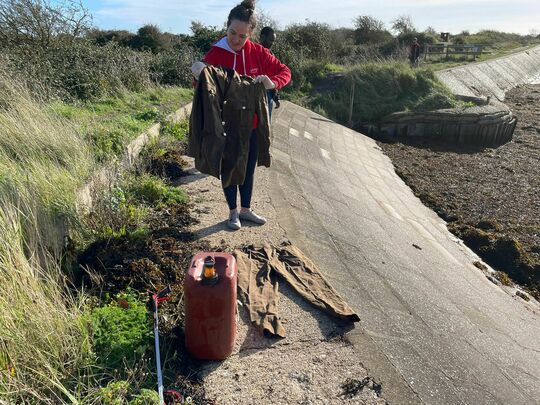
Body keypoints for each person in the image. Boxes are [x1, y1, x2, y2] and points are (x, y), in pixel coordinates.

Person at [191, 0, 291, 231]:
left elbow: (285, 71)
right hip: (226, 124)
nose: (236, 40)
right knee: (230, 167)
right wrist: (197, 73)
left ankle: (246, 209)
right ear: (226, 27)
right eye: (232, 33)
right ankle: (232, 212)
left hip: (254, 123)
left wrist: (272, 82)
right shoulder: (216, 52)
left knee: (248, 167)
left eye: (242, 36)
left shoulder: (258, 53)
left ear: (250, 35)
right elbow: (202, 85)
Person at [259, 26, 280, 117]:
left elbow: (273, 77)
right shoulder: (252, 54)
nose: (272, 43)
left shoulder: (271, 55)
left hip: (268, 95)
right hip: (255, 94)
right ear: (263, 37)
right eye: (270, 40)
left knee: (266, 125)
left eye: (273, 41)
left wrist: (276, 97)